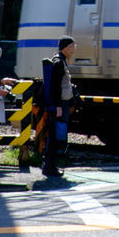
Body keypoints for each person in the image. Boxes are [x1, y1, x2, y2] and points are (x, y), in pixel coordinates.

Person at [41, 36, 77, 177]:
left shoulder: (59, 60)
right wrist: (57, 106)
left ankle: (51, 166)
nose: (74, 49)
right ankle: (50, 167)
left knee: (56, 135)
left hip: (61, 103)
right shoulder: (59, 63)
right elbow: (55, 86)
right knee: (55, 136)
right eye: (73, 46)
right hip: (60, 104)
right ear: (67, 47)